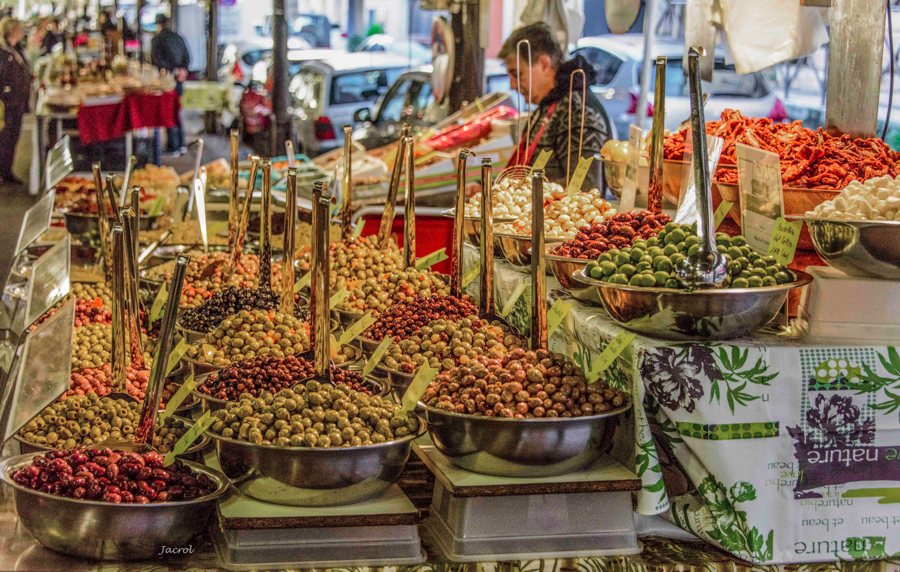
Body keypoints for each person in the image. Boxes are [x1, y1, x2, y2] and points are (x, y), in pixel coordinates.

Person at [497, 23, 611, 191]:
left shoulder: (577, 111)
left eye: (517, 74)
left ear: (544, 64)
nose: (513, 85)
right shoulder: (547, 106)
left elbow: (584, 189)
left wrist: (523, 194)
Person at [150, 14, 189, 156]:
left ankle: (174, 146)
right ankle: (181, 144)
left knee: (168, 112)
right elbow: (187, 57)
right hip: (179, 79)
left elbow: (156, 60)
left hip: (167, 80)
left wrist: (171, 71)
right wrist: (181, 70)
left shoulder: (157, 39)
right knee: (176, 110)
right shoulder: (178, 37)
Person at [0, 17, 30, 185]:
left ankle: (7, 171)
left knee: (12, 137)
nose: (22, 32)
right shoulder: (4, 52)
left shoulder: (15, 49)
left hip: (16, 103)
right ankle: (4, 172)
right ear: (11, 31)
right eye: (19, 29)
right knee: (6, 138)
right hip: (8, 104)